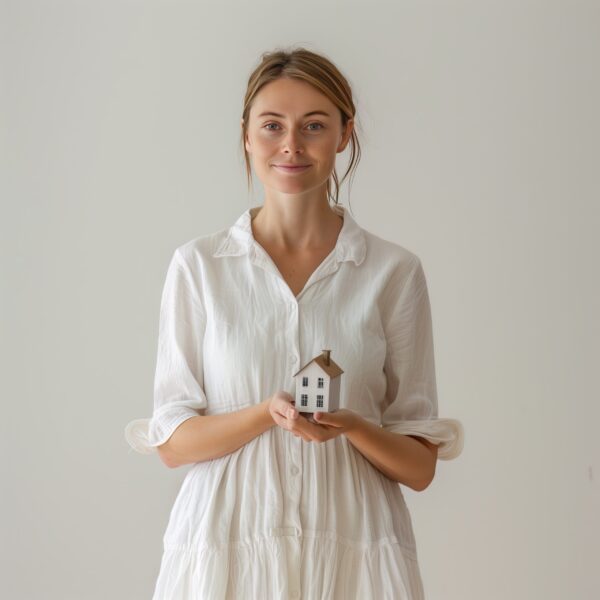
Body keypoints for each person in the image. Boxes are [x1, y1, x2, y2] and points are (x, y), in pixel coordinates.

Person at [125, 46, 464, 600]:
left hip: (355, 548)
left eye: (313, 124)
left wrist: (351, 424)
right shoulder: (200, 267)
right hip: (225, 546)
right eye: (272, 125)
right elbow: (173, 443)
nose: (290, 144)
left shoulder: (392, 272)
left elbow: (419, 467)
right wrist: (266, 413)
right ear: (245, 134)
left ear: (344, 133)